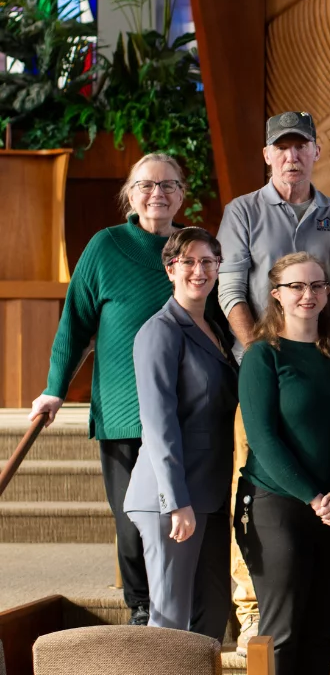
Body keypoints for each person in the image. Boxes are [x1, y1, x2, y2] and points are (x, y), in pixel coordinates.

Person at [28, 153, 192, 626]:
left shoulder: (191, 247)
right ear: (129, 193)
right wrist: (55, 388)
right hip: (123, 408)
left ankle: (188, 607)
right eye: (146, 185)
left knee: (183, 513)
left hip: (184, 410)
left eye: (168, 185)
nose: (157, 193)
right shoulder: (105, 247)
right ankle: (142, 607)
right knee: (133, 520)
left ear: (182, 194)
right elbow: (75, 324)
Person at [216, 110, 330, 649]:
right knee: (252, 476)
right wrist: (263, 349)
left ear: (316, 153)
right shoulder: (244, 211)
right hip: (267, 360)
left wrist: (327, 353)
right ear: (268, 155)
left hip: (318, 357)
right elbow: (230, 286)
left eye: (302, 147)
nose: (292, 156)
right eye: (283, 148)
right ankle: (251, 613)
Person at [235, 252, 330, 675]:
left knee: (322, 630)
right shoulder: (263, 356)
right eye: (296, 286)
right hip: (277, 502)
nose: (308, 295)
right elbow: (263, 439)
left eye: (317, 286)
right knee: (280, 629)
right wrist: (312, 496)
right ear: (276, 295)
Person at [123, 227, 238, 638]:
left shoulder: (215, 328)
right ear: (170, 269)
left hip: (207, 492)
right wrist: (175, 501)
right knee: (170, 622)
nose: (199, 270)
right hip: (170, 498)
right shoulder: (161, 330)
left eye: (208, 262)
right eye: (188, 261)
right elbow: (158, 424)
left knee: (212, 614)